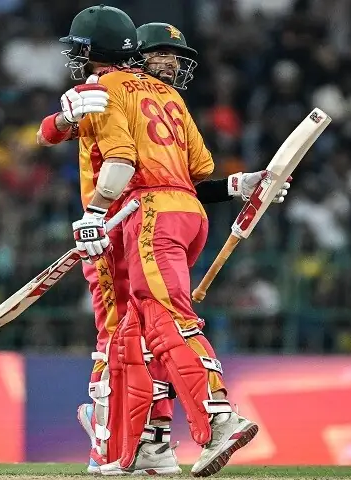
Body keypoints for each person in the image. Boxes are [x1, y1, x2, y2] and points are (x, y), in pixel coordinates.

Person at [38, 17, 285, 475]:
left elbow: (120, 160)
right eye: (165, 55)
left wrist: (93, 214)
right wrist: (239, 185)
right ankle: (151, 441)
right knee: (143, 335)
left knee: (159, 321)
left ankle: (216, 417)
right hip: (182, 214)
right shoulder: (168, 96)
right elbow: (194, 173)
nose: (171, 64)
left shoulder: (106, 88)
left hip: (138, 214)